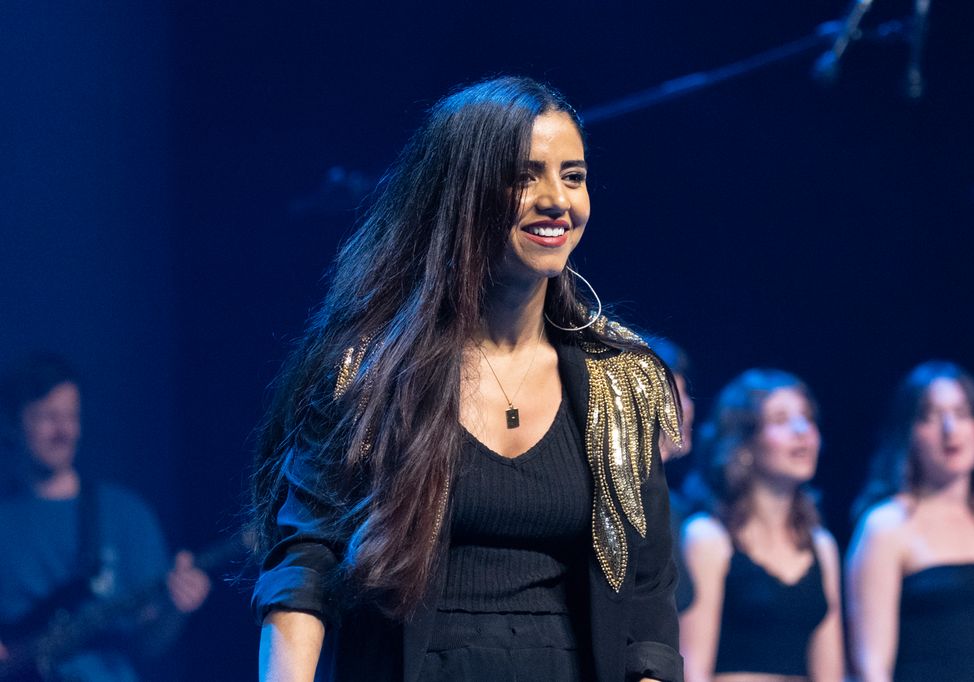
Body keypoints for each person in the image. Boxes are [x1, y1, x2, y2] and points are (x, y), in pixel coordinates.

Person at [249, 76, 685, 682]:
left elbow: (647, 600)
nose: (556, 200)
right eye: (524, 176)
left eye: (573, 176)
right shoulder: (368, 375)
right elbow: (305, 564)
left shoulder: (621, 381)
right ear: (463, 191)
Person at [0, 354, 211, 682]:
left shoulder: (125, 512)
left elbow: (148, 642)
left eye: (71, 416)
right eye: (47, 417)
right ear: (13, 423)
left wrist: (174, 609)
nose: (63, 431)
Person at [845, 361, 974, 682]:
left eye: (962, 413)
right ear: (909, 434)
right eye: (930, 417)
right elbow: (872, 665)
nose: (949, 429)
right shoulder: (886, 527)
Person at [678, 369, 844, 682]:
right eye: (781, 420)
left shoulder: (821, 545)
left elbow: (830, 672)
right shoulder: (708, 539)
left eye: (807, 418)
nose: (802, 431)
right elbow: (692, 670)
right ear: (743, 445)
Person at [646, 335, 697, 613]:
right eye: (676, 394)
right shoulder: (616, 498)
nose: (687, 408)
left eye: (685, 394)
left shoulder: (672, 506)